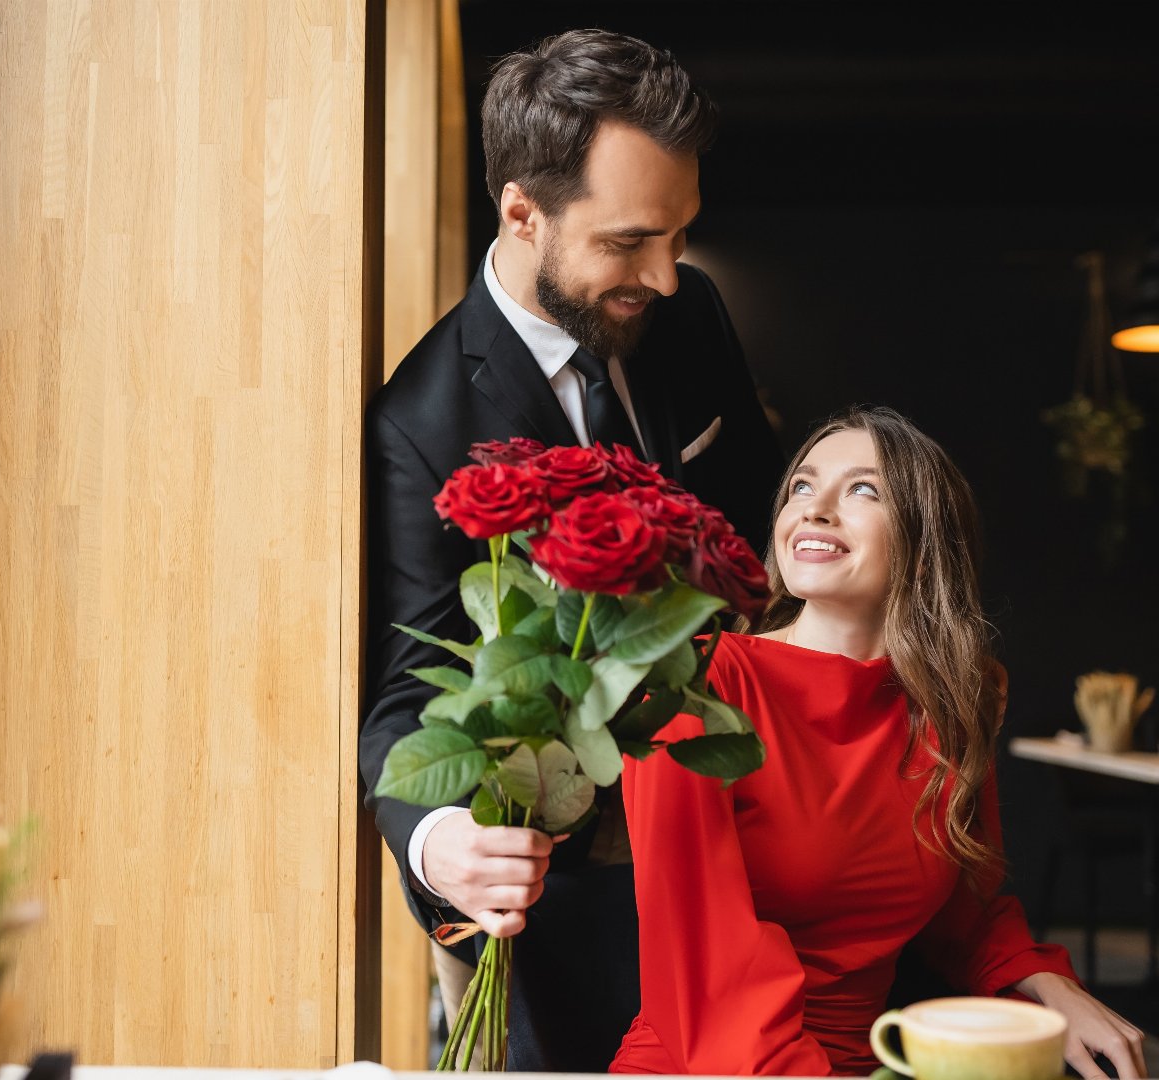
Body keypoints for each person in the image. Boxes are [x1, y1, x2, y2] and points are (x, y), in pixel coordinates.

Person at [359, 28, 783, 1071]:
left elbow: (761, 533)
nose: (669, 278)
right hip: (578, 915)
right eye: (631, 243)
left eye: (680, 237)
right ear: (522, 213)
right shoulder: (417, 422)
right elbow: (404, 699)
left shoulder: (691, 320)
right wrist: (440, 844)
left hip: (754, 848)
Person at [614, 406, 1149, 1079]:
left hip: (875, 1065)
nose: (816, 509)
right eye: (802, 487)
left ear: (926, 544)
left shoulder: (955, 701)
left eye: (864, 490)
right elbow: (704, 963)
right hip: (713, 1064)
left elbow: (968, 910)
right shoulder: (693, 684)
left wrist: (1046, 984)